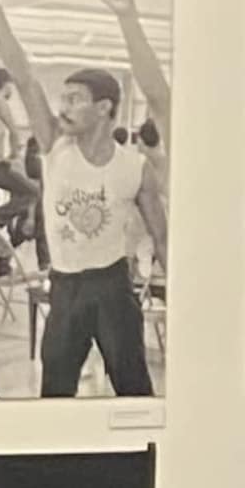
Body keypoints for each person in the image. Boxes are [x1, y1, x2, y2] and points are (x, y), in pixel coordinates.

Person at [36, 65, 162, 399]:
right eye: (62, 99)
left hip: (112, 288)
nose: (63, 107)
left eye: (74, 99)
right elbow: (22, 78)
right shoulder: (55, 149)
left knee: (133, 387)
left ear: (104, 107)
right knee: (55, 393)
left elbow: (162, 238)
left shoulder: (135, 167)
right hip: (65, 288)